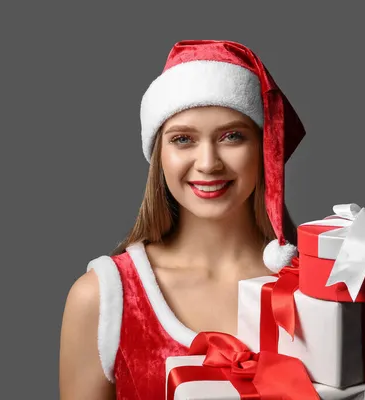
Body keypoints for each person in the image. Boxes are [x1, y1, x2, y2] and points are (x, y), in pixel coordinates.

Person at [59, 39, 307, 399]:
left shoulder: (313, 287)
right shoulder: (103, 297)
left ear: (264, 148)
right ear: (160, 154)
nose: (208, 163)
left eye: (232, 136)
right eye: (183, 139)